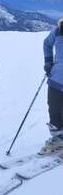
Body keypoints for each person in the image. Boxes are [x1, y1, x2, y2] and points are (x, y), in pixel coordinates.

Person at [41, 18, 63, 154]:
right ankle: (58, 138)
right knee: (54, 109)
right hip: (56, 79)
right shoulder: (58, 30)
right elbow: (47, 44)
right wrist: (48, 61)